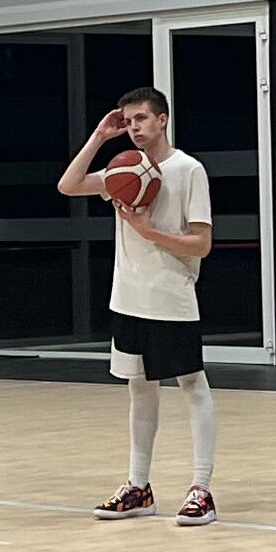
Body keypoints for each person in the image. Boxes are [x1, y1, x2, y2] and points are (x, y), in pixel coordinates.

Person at [63, 85, 218, 524]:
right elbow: (68, 185)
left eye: (142, 119)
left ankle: (202, 489)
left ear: (163, 119)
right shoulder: (123, 168)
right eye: (128, 121)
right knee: (139, 389)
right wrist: (98, 137)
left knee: (192, 385)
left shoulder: (188, 169)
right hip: (128, 295)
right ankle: (138, 487)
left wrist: (150, 232)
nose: (134, 128)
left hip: (171, 295)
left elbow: (202, 244)